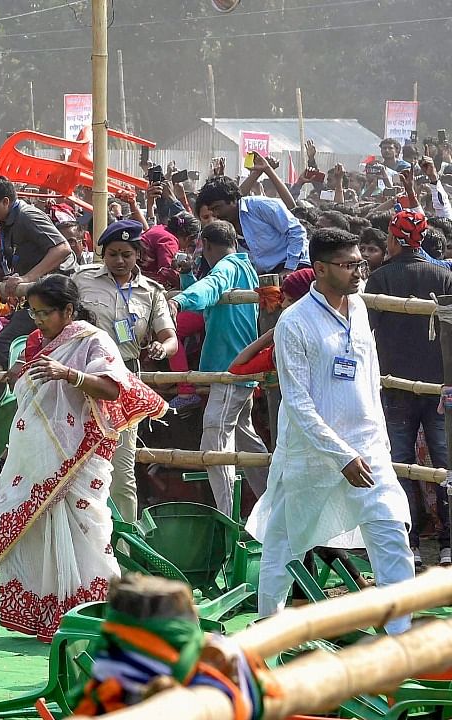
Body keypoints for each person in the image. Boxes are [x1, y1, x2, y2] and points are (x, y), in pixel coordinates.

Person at [247, 228, 414, 632]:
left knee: (392, 534)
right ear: (320, 269)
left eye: (360, 263)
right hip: (311, 455)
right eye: (348, 264)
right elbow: (299, 403)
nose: (359, 271)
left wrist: (376, 442)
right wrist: (340, 455)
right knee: (286, 544)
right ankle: (270, 629)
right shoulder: (295, 323)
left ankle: (400, 638)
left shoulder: (359, 309)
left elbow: (368, 379)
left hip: (367, 449)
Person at [0, 275, 166, 641]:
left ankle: (98, 613)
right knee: (38, 529)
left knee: (87, 532)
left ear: (68, 310)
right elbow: (34, 392)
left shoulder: (93, 340)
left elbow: (113, 387)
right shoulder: (39, 341)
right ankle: (48, 616)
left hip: (82, 451)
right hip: (40, 452)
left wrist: (67, 372)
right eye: (33, 312)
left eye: (45, 313)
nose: (38, 320)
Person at [72, 220, 177, 523]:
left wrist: (162, 349)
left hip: (125, 382)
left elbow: (169, 337)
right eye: (113, 253)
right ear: (103, 253)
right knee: (78, 462)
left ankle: (124, 548)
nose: (119, 260)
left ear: (137, 256)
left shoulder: (151, 292)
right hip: (83, 376)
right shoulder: (81, 280)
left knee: (122, 468)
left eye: (127, 254)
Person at [365, 208, 452, 567]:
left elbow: (364, 333)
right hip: (440, 391)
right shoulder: (444, 276)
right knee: (446, 465)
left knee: (398, 466)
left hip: (395, 388)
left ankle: (409, 543)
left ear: (395, 240)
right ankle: (448, 544)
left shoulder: (380, 279)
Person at [168, 221, 267, 517]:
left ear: (207, 246)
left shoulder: (227, 268)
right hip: (237, 367)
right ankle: (271, 505)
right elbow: (208, 298)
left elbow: (210, 288)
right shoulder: (243, 267)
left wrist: (178, 300)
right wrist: (186, 277)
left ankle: (228, 517)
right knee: (246, 440)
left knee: (214, 441)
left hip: (230, 369)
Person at [0, 176, 76, 416]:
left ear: (6, 202)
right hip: (32, 298)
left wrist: (28, 279)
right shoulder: (5, 227)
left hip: (51, 298)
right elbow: (1, 270)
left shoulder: (28, 216)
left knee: (1, 346)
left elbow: (62, 249)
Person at [194, 175, 308, 275]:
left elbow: (296, 231)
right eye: (212, 210)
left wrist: (290, 268)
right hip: (268, 275)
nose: (216, 214)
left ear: (233, 200)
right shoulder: (224, 229)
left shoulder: (260, 206)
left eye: (217, 208)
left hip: (296, 265)